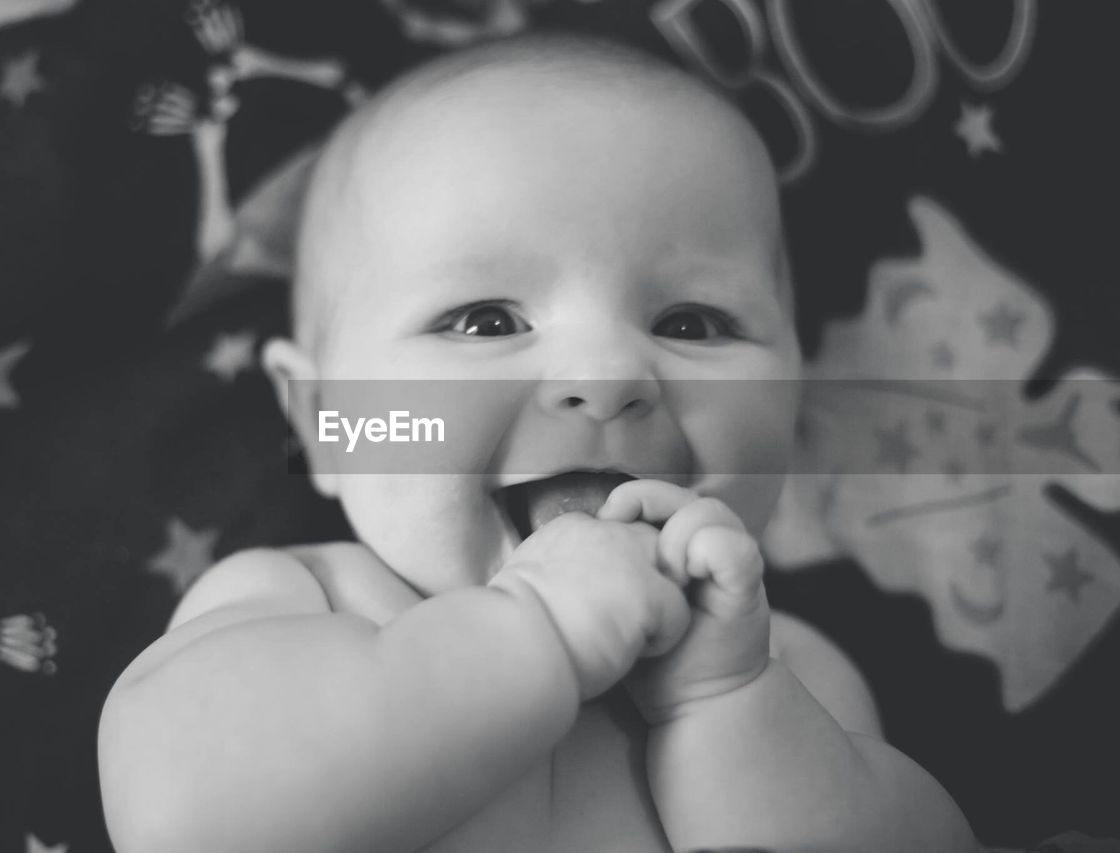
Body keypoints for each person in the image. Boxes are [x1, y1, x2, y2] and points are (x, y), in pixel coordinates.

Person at [98, 32, 978, 853]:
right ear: (325, 419)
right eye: (483, 320)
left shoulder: (787, 670)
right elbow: (191, 818)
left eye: (693, 320)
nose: (605, 375)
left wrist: (731, 704)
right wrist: (535, 631)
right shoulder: (302, 597)